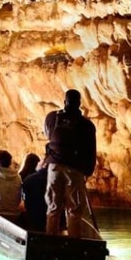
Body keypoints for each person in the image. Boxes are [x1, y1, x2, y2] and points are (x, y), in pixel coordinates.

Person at [44, 89, 100, 239]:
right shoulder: (87, 125)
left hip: (54, 167)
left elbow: (48, 136)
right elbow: (90, 150)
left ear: (65, 102)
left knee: (53, 207)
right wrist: (88, 171)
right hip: (74, 168)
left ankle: (50, 241)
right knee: (74, 210)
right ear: (79, 103)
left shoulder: (53, 117)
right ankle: (74, 243)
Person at [20, 155, 51, 231]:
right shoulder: (55, 180)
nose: (38, 163)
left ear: (44, 164)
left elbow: (25, 202)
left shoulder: (28, 179)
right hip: (48, 218)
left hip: (32, 218)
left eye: (40, 161)